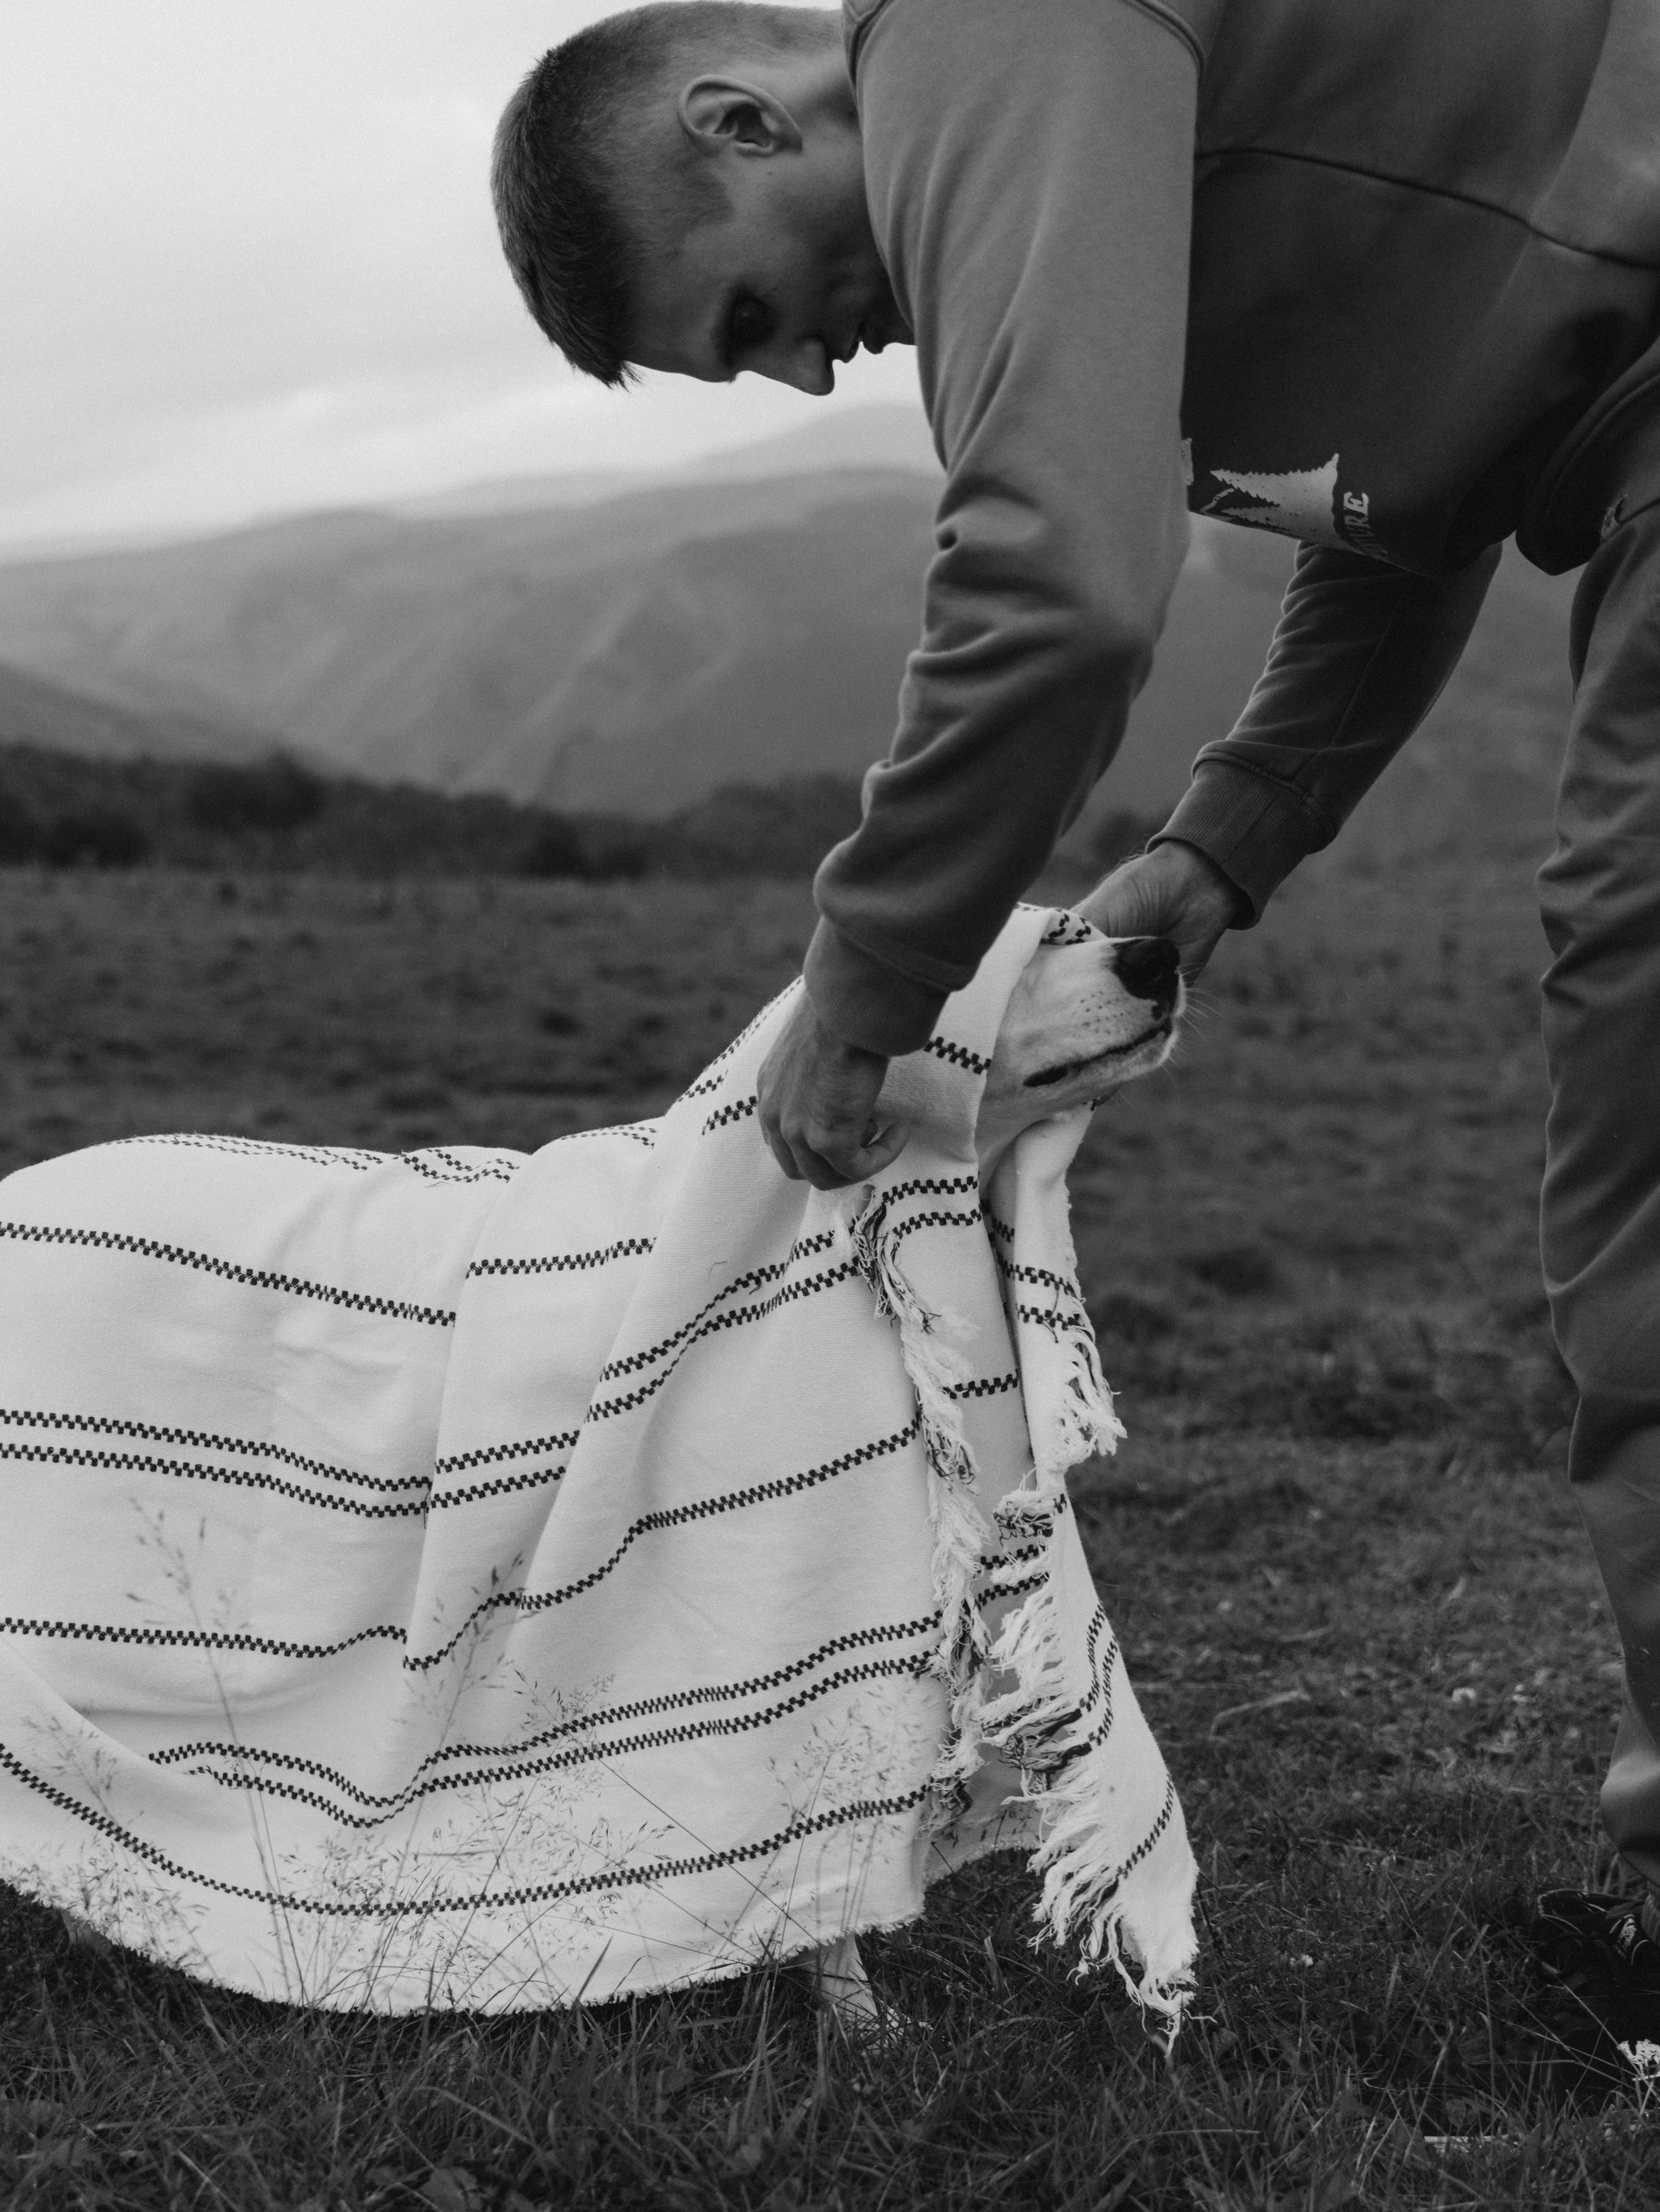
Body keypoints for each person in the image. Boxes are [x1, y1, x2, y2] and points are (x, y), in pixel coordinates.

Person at [491, 0, 1660, 2040]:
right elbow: (1409, 497)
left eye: (753, 307)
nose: (804, 366)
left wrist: (860, 997)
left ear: (746, 111)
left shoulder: (985, 24)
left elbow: (1058, 578)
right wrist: (1224, 846)